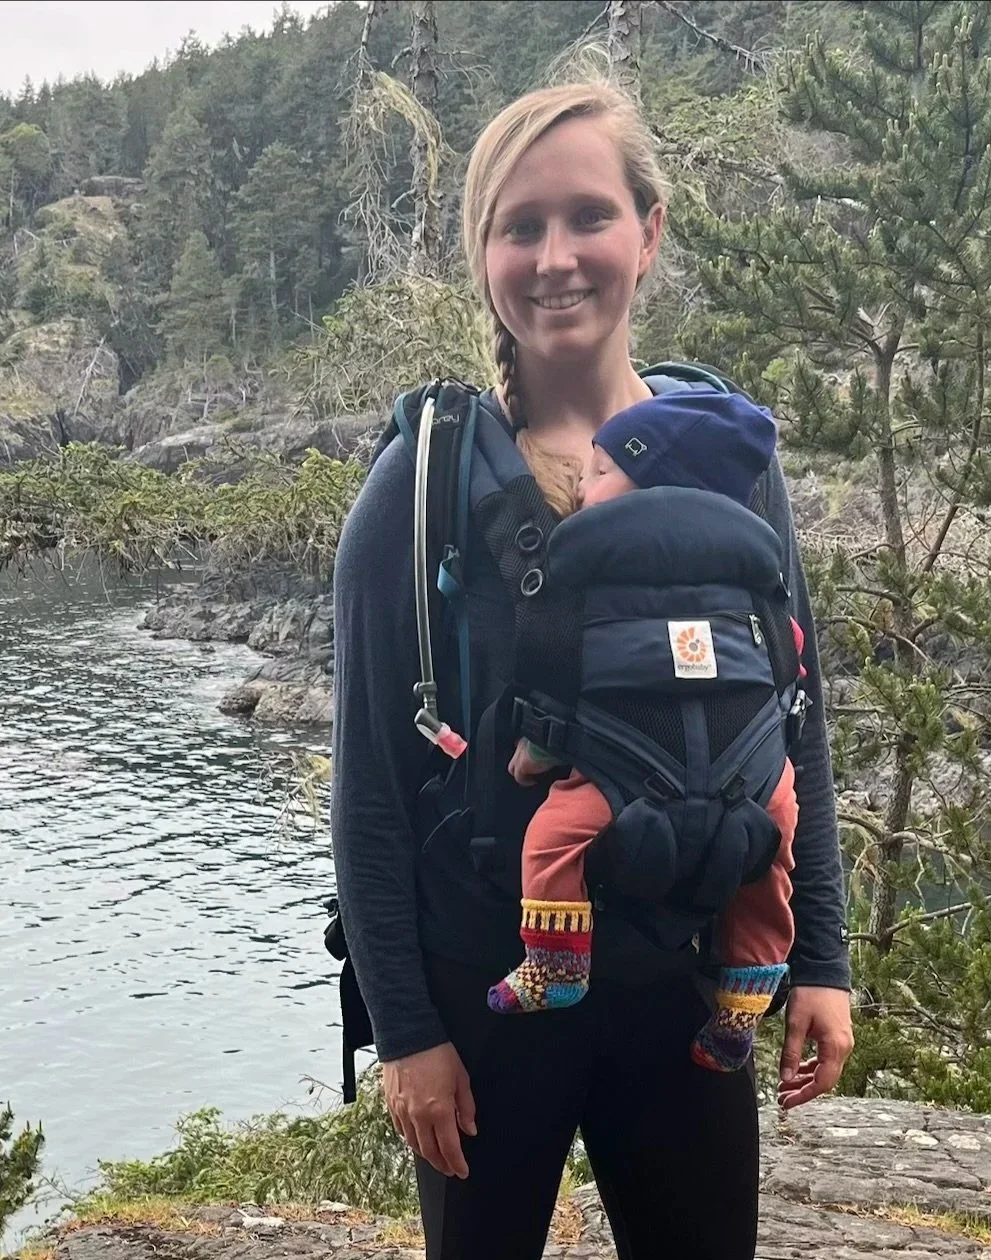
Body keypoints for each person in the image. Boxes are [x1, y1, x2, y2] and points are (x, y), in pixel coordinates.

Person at [329, 71, 854, 1260]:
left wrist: (818, 959)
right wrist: (405, 1032)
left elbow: (796, 733)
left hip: (686, 985)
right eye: (519, 226)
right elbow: (366, 789)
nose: (554, 256)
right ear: (481, 256)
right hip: (485, 995)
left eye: (587, 216)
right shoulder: (417, 492)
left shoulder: (725, 467)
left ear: (648, 233)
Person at [485, 391, 802, 1078]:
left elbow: (558, 671)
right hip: (753, 774)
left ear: (656, 482)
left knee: (551, 841)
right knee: (770, 866)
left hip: (618, 771)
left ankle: (555, 964)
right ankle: (743, 1003)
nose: (582, 484)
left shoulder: (585, 569)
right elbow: (787, 664)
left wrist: (538, 751)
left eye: (598, 471)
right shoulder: (753, 572)